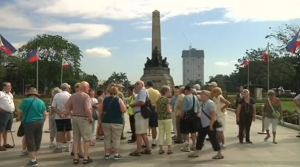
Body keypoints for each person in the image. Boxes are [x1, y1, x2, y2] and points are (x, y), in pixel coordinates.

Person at [189, 90, 224, 159]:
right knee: (200, 139)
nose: (200, 97)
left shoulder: (210, 103)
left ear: (207, 96)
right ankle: (196, 152)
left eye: (202, 96)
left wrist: (211, 125)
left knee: (213, 139)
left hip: (209, 125)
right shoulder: (203, 103)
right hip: (203, 124)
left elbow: (213, 115)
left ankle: (219, 153)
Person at [17, 87, 47, 166]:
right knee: (37, 139)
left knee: (30, 140)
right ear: (36, 94)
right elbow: (45, 113)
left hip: (29, 122)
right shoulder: (41, 101)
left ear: (28, 94)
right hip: (40, 121)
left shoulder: (26, 101)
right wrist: (43, 121)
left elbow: (20, 111)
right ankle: (35, 157)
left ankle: (33, 160)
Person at [66, 81, 93, 164]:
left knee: (76, 139)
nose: (89, 89)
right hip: (84, 118)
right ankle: (85, 157)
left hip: (75, 117)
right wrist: (90, 118)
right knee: (86, 139)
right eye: (88, 87)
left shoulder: (73, 96)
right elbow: (87, 109)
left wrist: (71, 114)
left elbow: (67, 106)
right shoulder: (86, 96)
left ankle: (76, 158)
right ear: (85, 87)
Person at [99, 84, 127, 160]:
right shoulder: (119, 100)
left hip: (106, 121)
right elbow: (124, 110)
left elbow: (100, 110)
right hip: (117, 122)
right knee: (116, 139)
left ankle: (107, 154)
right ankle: (116, 154)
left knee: (107, 138)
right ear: (117, 92)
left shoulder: (104, 100)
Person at [129, 80, 151, 156]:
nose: (136, 85)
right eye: (135, 84)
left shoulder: (142, 91)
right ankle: (148, 149)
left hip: (140, 114)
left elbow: (141, 102)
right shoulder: (144, 91)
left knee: (138, 133)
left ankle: (138, 151)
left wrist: (133, 105)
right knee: (143, 133)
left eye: (137, 84)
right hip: (142, 114)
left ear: (142, 84)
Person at [51, 83, 72, 153]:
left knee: (59, 131)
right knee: (68, 130)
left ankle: (59, 146)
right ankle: (68, 146)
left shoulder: (57, 95)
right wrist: (65, 113)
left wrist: (60, 114)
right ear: (68, 88)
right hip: (68, 116)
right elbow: (71, 107)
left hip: (59, 117)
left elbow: (53, 106)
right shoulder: (70, 95)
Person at [180, 86, 200, 152]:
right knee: (193, 131)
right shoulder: (195, 97)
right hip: (194, 116)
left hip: (187, 116)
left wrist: (181, 117)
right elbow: (198, 107)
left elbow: (183, 109)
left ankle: (187, 146)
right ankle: (194, 145)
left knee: (186, 132)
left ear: (186, 90)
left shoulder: (186, 97)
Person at [156, 86, 173, 154]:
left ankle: (160, 148)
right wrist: (171, 110)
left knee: (161, 133)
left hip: (160, 119)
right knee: (168, 133)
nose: (170, 92)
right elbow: (168, 110)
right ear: (166, 92)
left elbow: (156, 110)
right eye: (169, 91)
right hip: (167, 118)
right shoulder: (167, 100)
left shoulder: (159, 99)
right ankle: (169, 149)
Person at [0, 82, 15, 151]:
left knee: (6, 129)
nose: (9, 88)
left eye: (10, 86)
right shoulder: (1, 93)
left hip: (10, 113)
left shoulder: (10, 94)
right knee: (1, 129)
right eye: (8, 86)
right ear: (4, 87)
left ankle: (5, 143)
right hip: (3, 113)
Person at [145, 81, 161, 147]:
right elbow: (159, 101)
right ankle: (154, 141)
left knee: (145, 126)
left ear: (147, 85)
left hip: (146, 108)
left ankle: (144, 142)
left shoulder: (145, 91)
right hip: (154, 109)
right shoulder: (157, 92)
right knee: (154, 127)